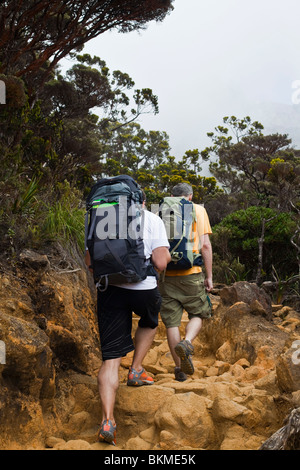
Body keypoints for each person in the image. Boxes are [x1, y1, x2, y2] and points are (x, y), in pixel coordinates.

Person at [85, 192, 170, 446]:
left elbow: (90, 261)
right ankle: (135, 370)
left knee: (110, 360)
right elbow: (161, 262)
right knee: (149, 320)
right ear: (140, 201)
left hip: (109, 290)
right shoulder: (152, 218)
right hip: (144, 288)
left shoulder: (98, 220)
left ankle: (108, 420)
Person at [159, 183, 213, 382]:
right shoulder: (198, 209)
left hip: (166, 274)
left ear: (172, 195)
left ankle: (179, 369)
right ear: (189, 196)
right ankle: (187, 342)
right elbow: (205, 246)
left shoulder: (162, 210)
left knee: (172, 323)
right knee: (198, 313)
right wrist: (209, 276)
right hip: (192, 272)